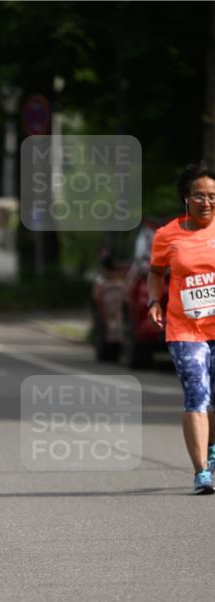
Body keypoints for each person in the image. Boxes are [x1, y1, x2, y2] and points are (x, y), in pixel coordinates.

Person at [148, 161, 215, 494]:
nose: (207, 202)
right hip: (185, 329)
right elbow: (156, 272)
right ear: (186, 199)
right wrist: (154, 301)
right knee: (196, 394)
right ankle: (201, 471)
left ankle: (211, 447)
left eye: (213, 196)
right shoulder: (167, 235)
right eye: (199, 196)